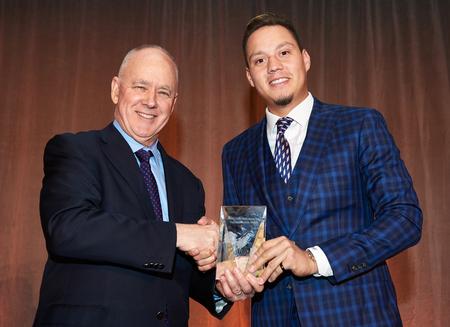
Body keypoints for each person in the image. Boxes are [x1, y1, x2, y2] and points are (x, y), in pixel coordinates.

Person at [218, 13, 423, 326]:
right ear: (249, 76)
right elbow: (242, 254)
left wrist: (314, 259)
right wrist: (229, 276)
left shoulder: (360, 125)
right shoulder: (235, 153)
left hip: (358, 317)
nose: (273, 66)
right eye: (260, 60)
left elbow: (405, 218)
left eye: (283, 53)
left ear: (305, 59)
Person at [33, 45, 230, 327]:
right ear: (116, 89)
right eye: (140, 87)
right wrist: (178, 234)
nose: (151, 101)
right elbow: (68, 229)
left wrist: (222, 285)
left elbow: (179, 271)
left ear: (173, 104)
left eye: (163, 92)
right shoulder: (76, 150)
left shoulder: (188, 183)